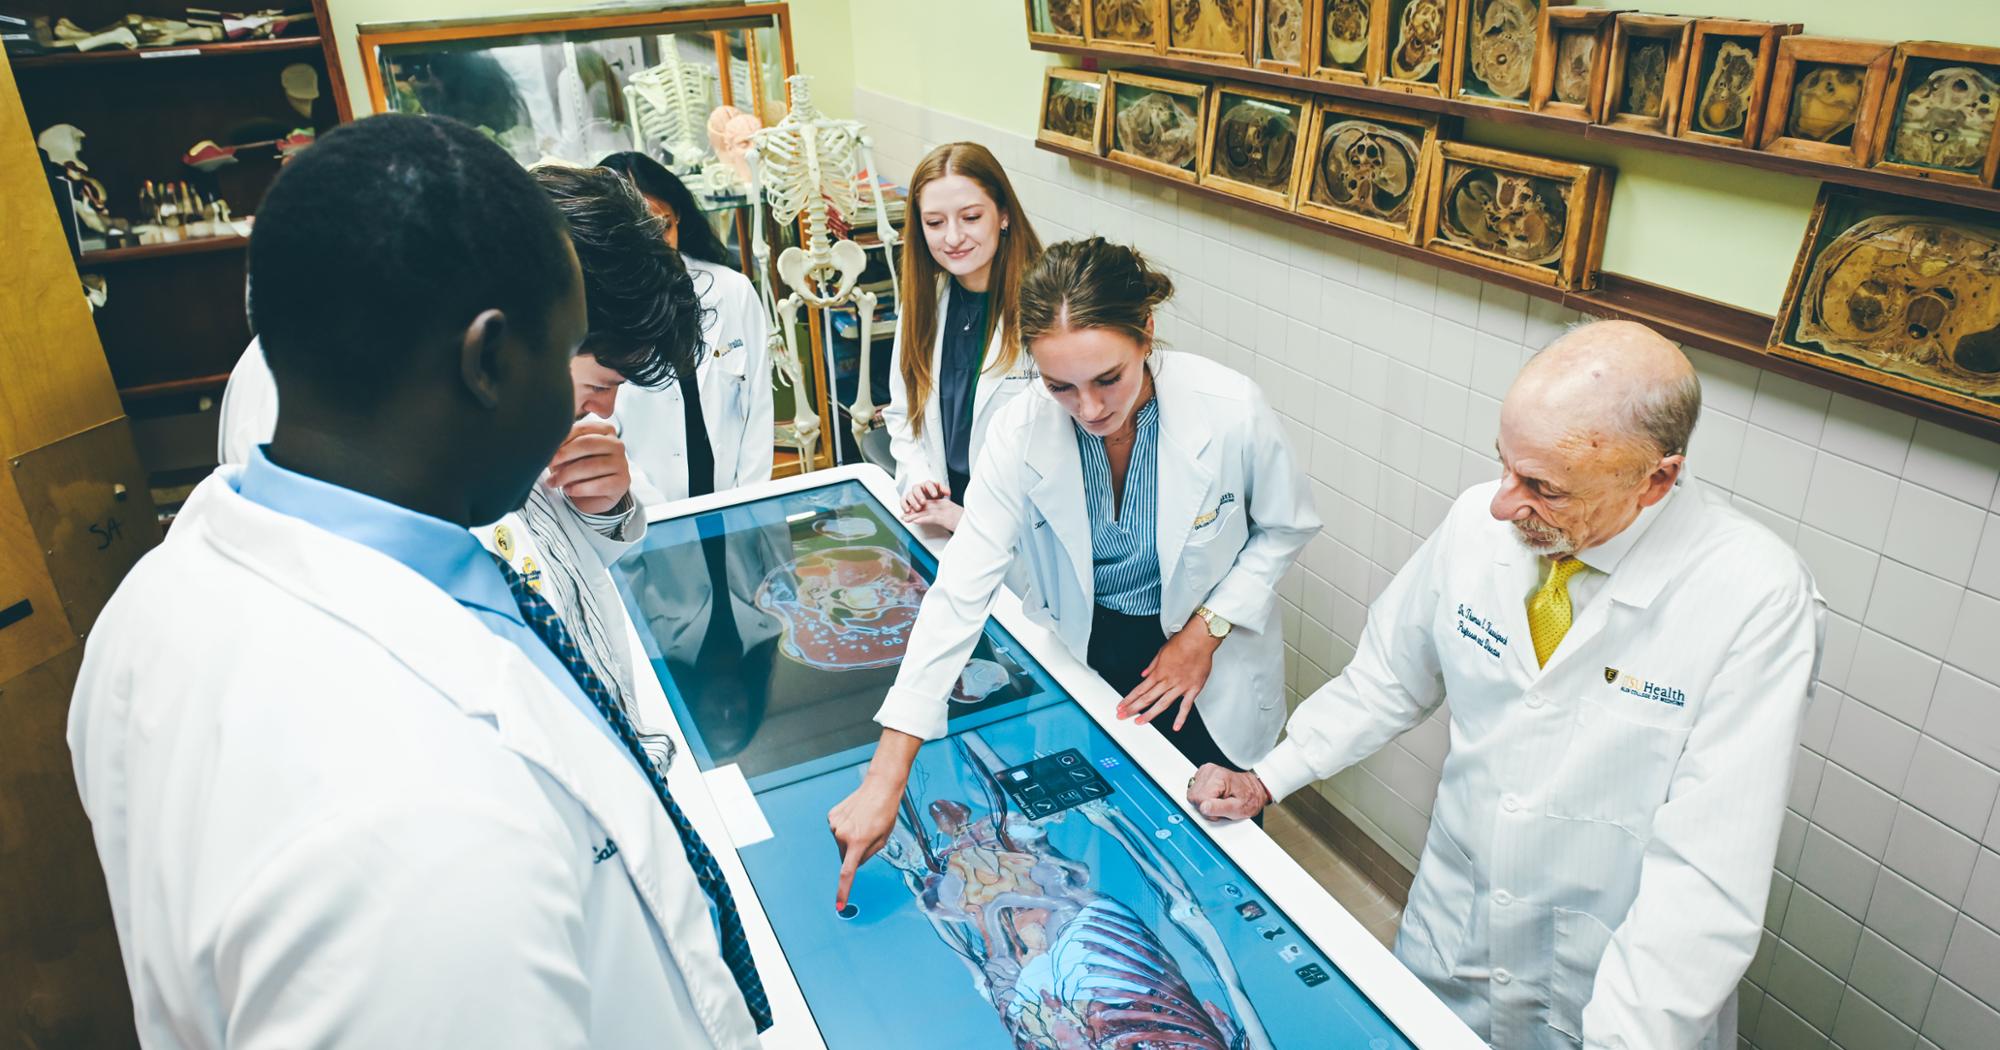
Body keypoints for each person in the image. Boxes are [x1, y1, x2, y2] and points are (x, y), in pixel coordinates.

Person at [70, 114, 769, 1048]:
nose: (596, 417)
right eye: (576, 366)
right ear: (489, 361)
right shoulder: (418, 821)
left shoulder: (162, 600)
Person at [1188, 321, 1826, 1050]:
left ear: (1655, 479)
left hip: (1611, 987)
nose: (1502, 504)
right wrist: (1268, 777)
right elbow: (1387, 679)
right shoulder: (1479, 524)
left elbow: (1704, 877)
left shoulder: (1755, 596)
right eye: (1505, 465)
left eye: (1544, 488)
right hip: (1454, 933)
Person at [828, 237, 1321, 908]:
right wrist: (887, 774)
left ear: (1146, 334)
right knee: (1104, 848)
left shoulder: (1230, 409)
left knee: (1220, 863)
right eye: (1060, 385)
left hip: (1210, 662)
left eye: (1108, 379)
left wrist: (1207, 630)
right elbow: (960, 592)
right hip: (1090, 646)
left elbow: (1285, 527)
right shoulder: (1019, 432)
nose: (1088, 409)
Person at [215, 162, 688, 744]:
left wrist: (605, 507)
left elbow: (547, 562)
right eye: (598, 384)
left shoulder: (492, 376)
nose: (605, 410)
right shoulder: (307, 392)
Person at [882, 142, 1044, 533]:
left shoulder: (1046, 307)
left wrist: (971, 522)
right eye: (935, 223)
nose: (952, 237)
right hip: (940, 514)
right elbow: (903, 415)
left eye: (970, 217)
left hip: (1016, 527)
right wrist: (920, 481)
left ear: (1003, 214)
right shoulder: (925, 301)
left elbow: (1058, 452)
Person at [598, 150, 773, 506]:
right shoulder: (597, 312)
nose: (653, 245)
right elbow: (601, 430)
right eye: (636, 233)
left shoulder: (732, 290)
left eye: (661, 227)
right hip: (647, 512)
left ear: (677, 214)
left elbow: (758, 407)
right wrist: (658, 515)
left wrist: (750, 502)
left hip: (739, 501)